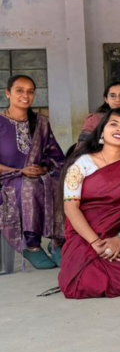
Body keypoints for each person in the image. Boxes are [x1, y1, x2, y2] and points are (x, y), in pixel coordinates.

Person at [58, 110, 120, 298]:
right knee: (83, 283)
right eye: (114, 124)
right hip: (85, 234)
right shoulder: (81, 164)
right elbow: (70, 208)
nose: (119, 129)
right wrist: (95, 242)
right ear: (102, 131)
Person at [0, 75, 65, 269]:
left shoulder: (41, 122)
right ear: (8, 93)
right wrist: (20, 171)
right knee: (29, 186)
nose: (25, 96)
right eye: (19, 91)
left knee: (62, 184)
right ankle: (32, 244)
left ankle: (59, 241)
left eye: (30, 92)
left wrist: (43, 167)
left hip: (39, 176)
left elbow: (54, 154)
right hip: (7, 179)